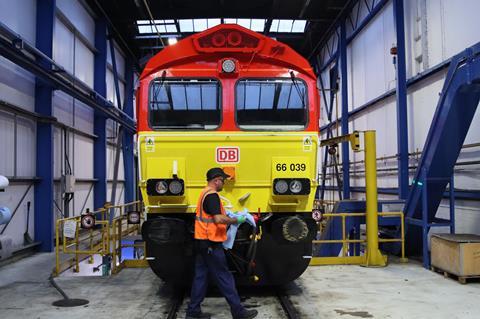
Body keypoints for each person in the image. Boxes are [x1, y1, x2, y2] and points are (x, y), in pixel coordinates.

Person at [186, 167, 258, 319]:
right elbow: (218, 219)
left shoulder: (204, 193)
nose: (224, 183)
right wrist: (236, 220)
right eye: (223, 180)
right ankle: (238, 312)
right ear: (216, 180)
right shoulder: (212, 196)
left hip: (202, 242)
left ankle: (193, 312)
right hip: (211, 244)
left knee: (201, 276)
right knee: (224, 277)